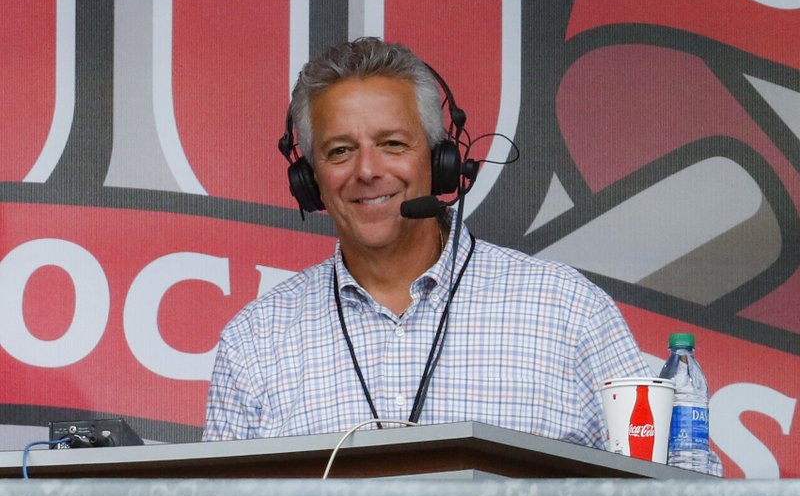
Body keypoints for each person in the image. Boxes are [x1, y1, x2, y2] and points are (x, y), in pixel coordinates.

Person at [202, 37, 653, 452]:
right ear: (309, 179)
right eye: (340, 150)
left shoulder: (569, 310)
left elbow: (671, 489)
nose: (367, 170)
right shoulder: (255, 340)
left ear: (440, 160)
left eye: (392, 144)